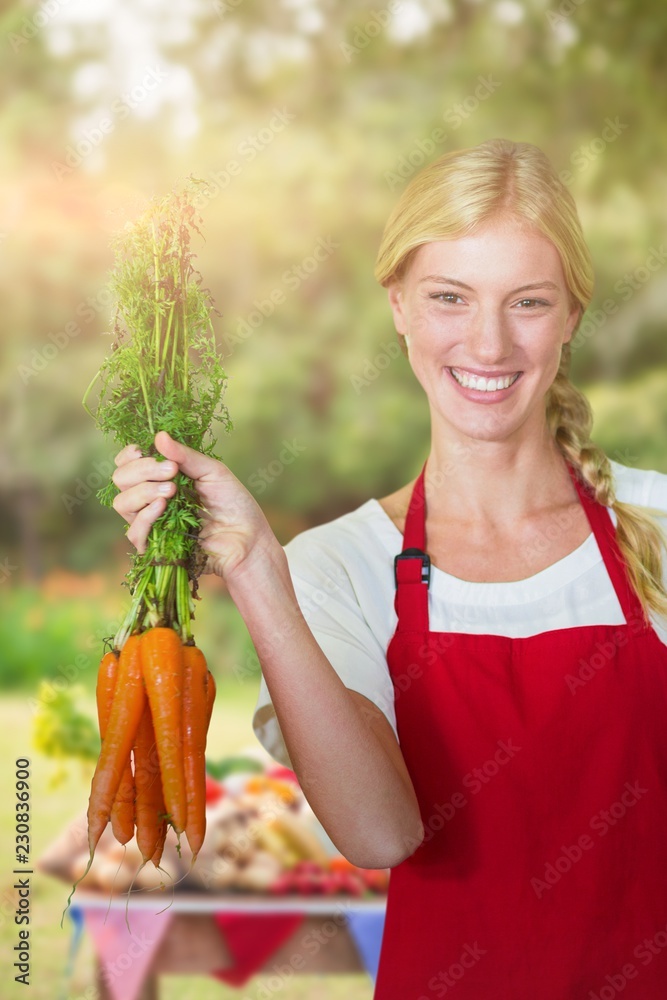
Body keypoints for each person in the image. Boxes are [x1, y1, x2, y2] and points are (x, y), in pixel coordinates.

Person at [111, 138, 667, 998]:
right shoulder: (339, 565)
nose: (488, 343)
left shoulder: (658, 523)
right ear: (398, 305)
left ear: (571, 318)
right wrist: (256, 568)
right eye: (450, 297)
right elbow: (377, 833)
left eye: (527, 302)